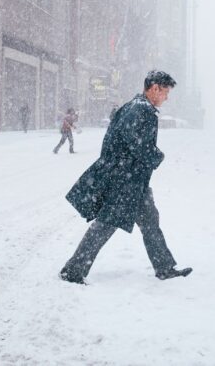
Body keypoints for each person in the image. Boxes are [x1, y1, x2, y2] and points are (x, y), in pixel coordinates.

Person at [60, 70, 192, 284]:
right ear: (155, 88)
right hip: (126, 182)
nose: (166, 97)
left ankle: (164, 267)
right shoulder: (141, 110)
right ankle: (73, 271)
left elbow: (117, 141)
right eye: (165, 92)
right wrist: (156, 156)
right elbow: (136, 143)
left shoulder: (135, 107)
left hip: (133, 180)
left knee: (150, 222)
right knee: (105, 225)